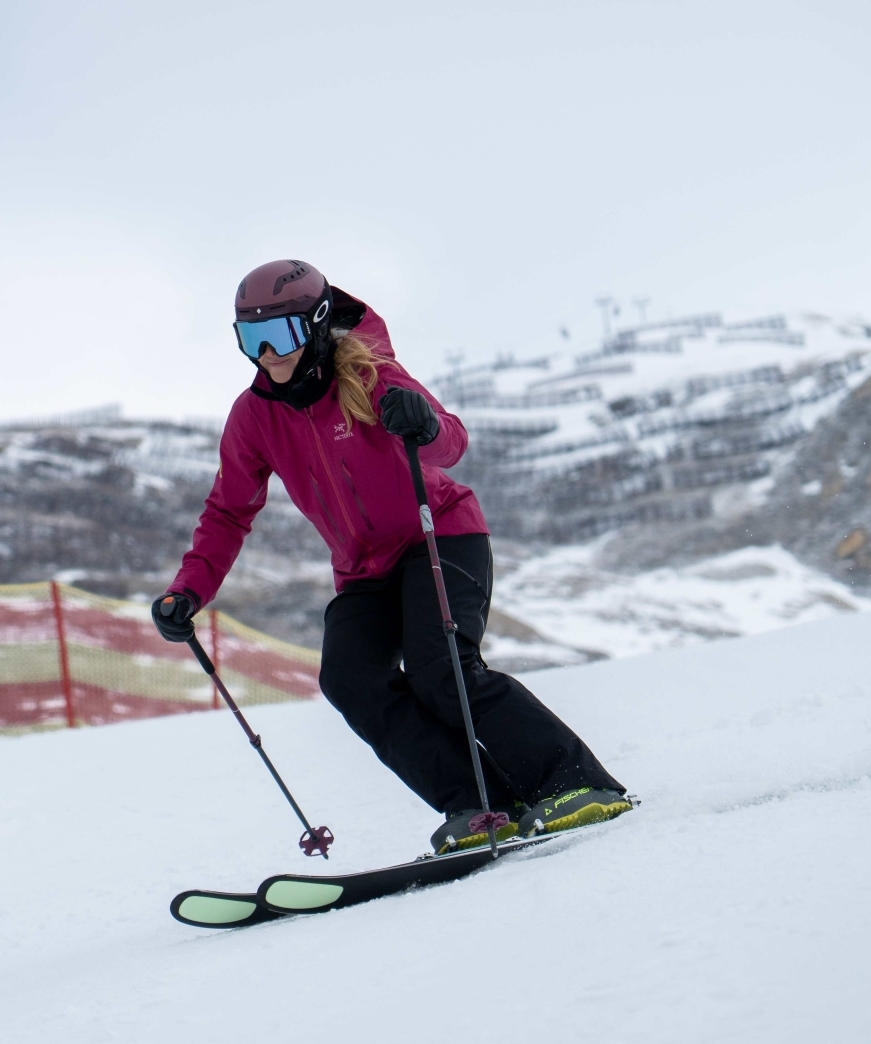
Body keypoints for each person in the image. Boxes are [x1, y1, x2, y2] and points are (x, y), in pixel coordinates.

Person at [153, 259, 631, 855]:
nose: (268, 355)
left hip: (441, 537)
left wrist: (424, 424)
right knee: (350, 679)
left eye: (282, 335)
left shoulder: (371, 374)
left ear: (318, 324)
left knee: (442, 670)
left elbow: (452, 443)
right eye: (252, 339)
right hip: (362, 570)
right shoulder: (253, 418)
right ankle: (485, 805)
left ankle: (579, 784)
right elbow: (229, 511)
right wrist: (188, 590)